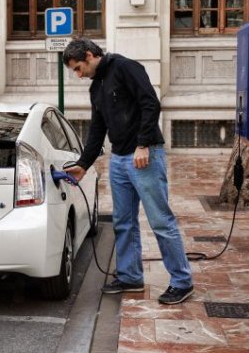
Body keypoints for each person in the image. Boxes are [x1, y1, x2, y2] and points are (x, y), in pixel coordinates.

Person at [62, 37, 194, 305]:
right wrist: (84, 164)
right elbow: (98, 128)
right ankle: (130, 276)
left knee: (160, 221)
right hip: (119, 160)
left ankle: (182, 281)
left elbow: (150, 104)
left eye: (78, 68)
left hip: (144, 156)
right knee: (123, 222)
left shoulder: (125, 67)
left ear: (89, 55)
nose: (78, 75)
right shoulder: (96, 87)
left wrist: (143, 144)